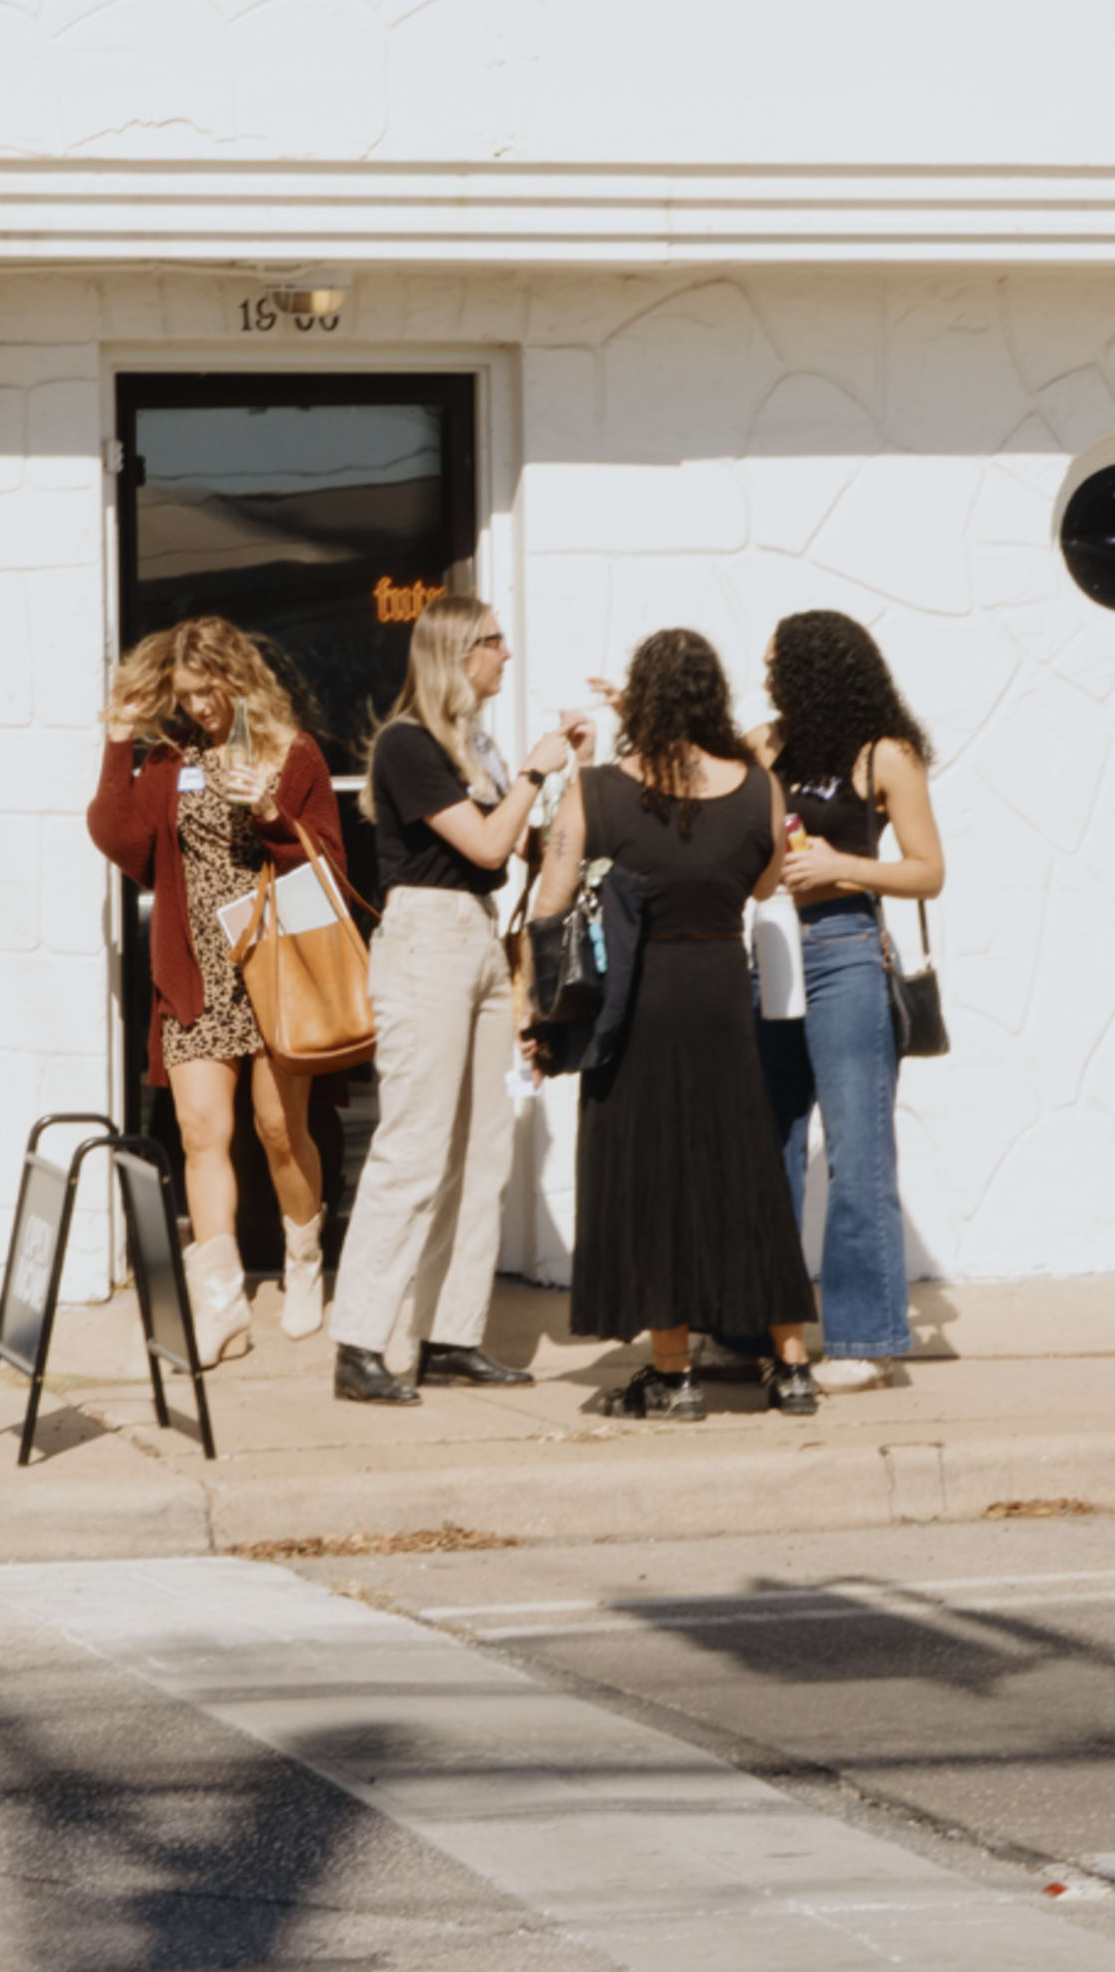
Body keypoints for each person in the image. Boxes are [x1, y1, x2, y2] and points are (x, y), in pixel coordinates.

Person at [528, 627, 819, 1418]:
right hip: (723, 990)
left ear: (642, 697)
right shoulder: (760, 784)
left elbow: (550, 905)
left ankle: (673, 1374)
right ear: (713, 695)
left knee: (651, 1171)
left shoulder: (596, 789)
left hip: (638, 995)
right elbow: (763, 886)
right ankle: (791, 1365)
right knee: (744, 1172)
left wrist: (540, 1015)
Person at [325, 595, 588, 1405]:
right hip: (426, 940)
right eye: (494, 641)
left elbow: (522, 852)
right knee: (414, 1143)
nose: (506, 655)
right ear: (457, 651)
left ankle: (449, 1333)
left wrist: (569, 770)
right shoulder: (407, 744)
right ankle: (361, 1341)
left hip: (475, 937)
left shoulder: (474, 744)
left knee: (483, 1147)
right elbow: (482, 843)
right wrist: (539, 770)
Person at [85, 617, 357, 1356]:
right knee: (201, 1133)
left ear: (239, 679)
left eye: (209, 692)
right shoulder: (175, 760)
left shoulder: (292, 753)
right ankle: (222, 1307)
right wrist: (118, 738)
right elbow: (119, 836)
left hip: (273, 966)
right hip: (194, 968)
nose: (199, 708)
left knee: (277, 1130)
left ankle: (304, 1262)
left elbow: (329, 866)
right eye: (186, 695)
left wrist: (270, 812)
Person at [756, 607, 945, 1392]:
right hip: (772, 945)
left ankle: (864, 1335)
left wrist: (843, 863)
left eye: (776, 663)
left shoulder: (885, 755)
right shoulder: (766, 745)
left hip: (845, 948)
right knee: (771, 1143)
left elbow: (927, 869)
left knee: (858, 1147)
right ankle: (760, 1326)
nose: (765, 675)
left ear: (813, 670)